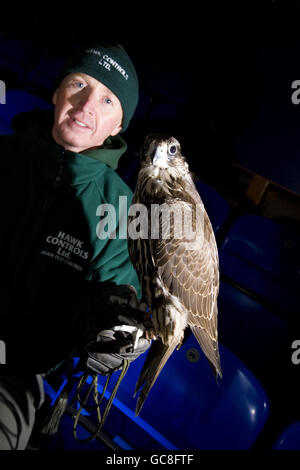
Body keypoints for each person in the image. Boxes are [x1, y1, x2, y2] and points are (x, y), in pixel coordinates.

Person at [0, 43, 150, 449]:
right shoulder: (4, 156)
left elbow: (118, 295)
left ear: (118, 125)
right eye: (78, 84)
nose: (86, 105)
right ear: (56, 93)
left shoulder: (121, 210)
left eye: (106, 99)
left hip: (16, 375)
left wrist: (113, 326)